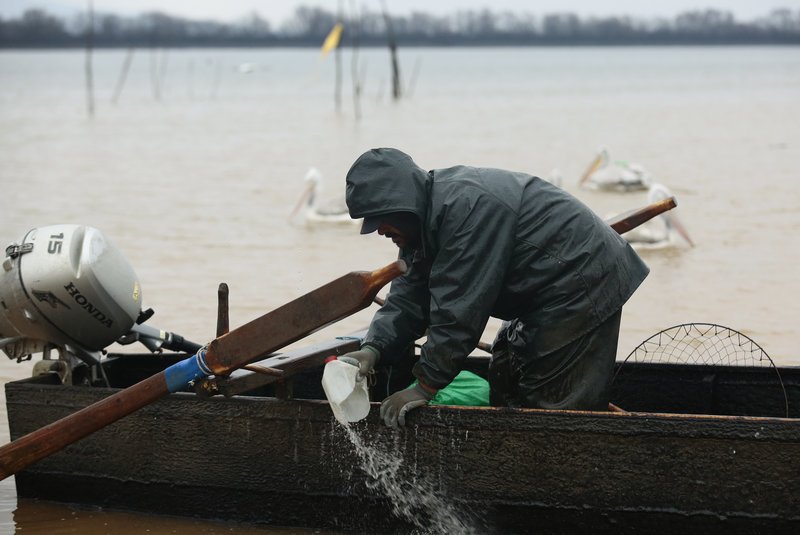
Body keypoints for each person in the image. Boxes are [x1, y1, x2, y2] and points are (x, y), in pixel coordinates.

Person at [338, 148, 649, 428]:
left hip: (581, 279)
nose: (378, 230)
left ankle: (560, 477)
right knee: (505, 373)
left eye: (381, 220)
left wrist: (425, 385)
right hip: (539, 288)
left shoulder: (466, 210)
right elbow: (408, 298)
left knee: (550, 404)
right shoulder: (423, 223)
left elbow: (458, 312)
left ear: (403, 204)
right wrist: (373, 348)